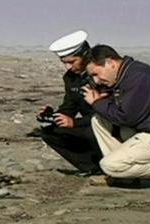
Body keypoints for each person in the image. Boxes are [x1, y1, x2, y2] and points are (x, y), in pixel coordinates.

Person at [82, 44, 150, 190]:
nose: (96, 80)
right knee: (99, 120)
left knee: (109, 165)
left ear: (110, 63)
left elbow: (127, 118)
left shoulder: (138, 77)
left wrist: (97, 102)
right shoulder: (128, 75)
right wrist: (102, 100)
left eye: (96, 74)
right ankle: (124, 177)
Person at [33, 30, 103, 175]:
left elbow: (112, 113)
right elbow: (69, 106)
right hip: (87, 124)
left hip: (107, 124)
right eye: (64, 63)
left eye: (72, 62)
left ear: (85, 56)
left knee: (94, 131)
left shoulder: (102, 75)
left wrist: (74, 123)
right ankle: (92, 168)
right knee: (50, 133)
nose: (68, 67)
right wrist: (51, 115)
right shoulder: (70, 78)